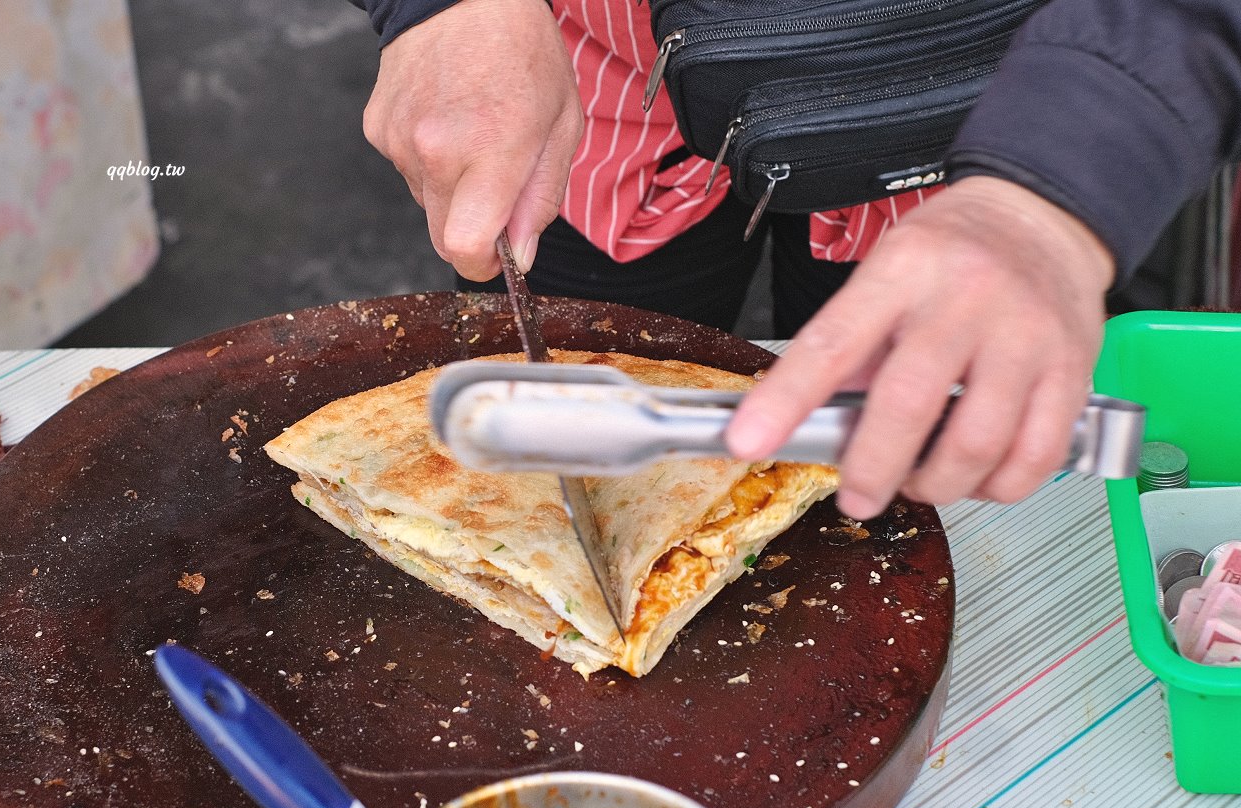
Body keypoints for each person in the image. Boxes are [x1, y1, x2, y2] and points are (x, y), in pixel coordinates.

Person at [350, 0, 1241, 519]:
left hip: (983, 99)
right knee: (554, 459)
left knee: (888, 488)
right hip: (593, 79)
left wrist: (1059, 180)